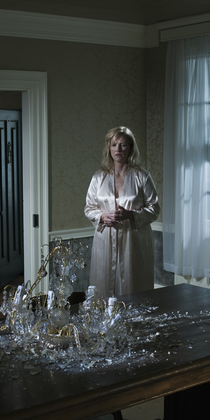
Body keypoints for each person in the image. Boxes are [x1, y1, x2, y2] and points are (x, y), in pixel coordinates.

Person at [84, 126, 160, 300]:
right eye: (114, 144)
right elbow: (89, 207)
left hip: (134, 242)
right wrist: (103, 216)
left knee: (134, 282)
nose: (118, 149)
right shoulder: (98, 177)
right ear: (108, 148)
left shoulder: (142, 176)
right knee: (104, 284)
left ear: (131, 148)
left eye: (123, 145)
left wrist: (131, 215)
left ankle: (136, 321)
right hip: (104, 242)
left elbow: (154, 209)